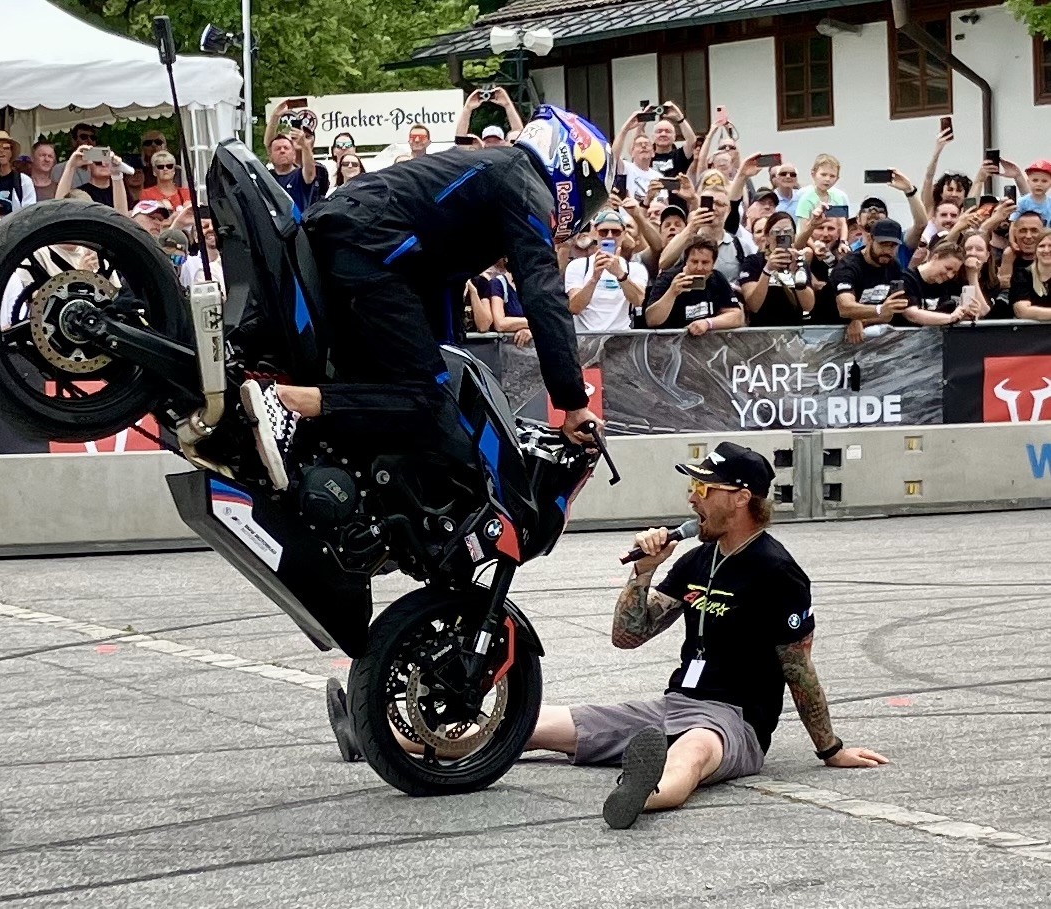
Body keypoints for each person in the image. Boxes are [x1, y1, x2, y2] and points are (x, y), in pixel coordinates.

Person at [323, 442, 889, 831]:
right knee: (527, 723)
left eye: (703, 487)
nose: (692, 496)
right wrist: (641, 574)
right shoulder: (697, 560)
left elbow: (798, 666)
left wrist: (830, 748)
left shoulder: (777, 572)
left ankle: (643, 793)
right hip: (673, 705)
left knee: (693, 751)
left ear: (740, 497)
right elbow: (628, 636)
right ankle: (377, 739)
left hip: (733, 721)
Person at [239, 105, 609, 491]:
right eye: (591, 196)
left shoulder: (493, 168)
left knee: (396, 385)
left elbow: (442, 287)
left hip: (354, 238)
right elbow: (544, 294)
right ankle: (287, 403)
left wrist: (451, 368)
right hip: (370, 246)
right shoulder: (524, 182)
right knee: (428, 400)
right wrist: (573, 402)